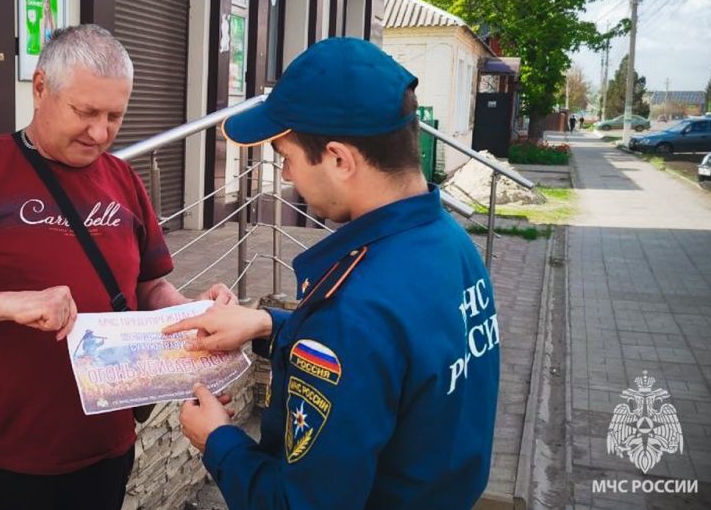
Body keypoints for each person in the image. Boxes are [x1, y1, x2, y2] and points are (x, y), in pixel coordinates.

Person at [164, 37, 501, 510]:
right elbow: (389, 362)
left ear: (341, 160)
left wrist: (218, 440)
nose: (286, 177)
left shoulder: (354, 308)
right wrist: (265, 325)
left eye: (288, 158)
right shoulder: (450, 244)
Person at [0, 24, 235, 510]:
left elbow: (150, 287)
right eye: (85, 112)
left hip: (105, 444)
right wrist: (10, 303)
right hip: (2, 451)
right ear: (40, 87)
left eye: (115, 116)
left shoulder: (123, 178)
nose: (100, 133)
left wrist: (191, 313)